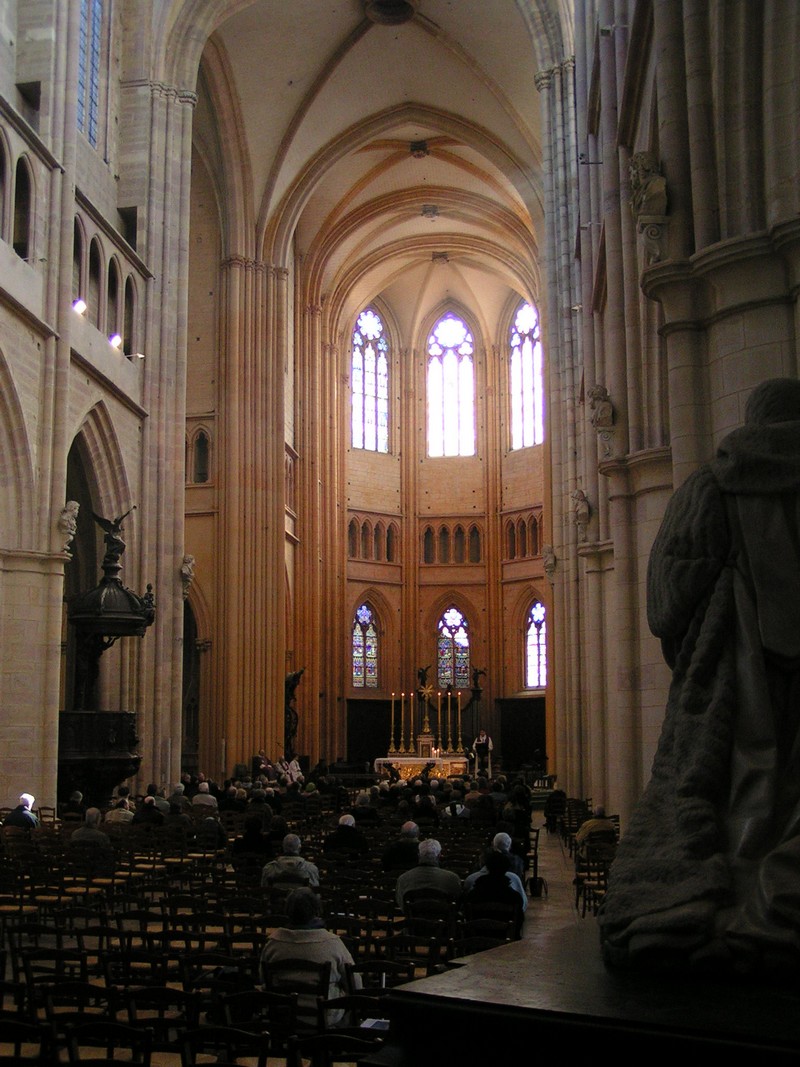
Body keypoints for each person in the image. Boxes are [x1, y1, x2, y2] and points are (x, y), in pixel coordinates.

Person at [600, 378, 800, 974]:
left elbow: (667, 602)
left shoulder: (713, 483)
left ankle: (719, 904)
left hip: (741, 674)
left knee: (738, 791)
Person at [260, 888, 361, 1024]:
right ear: (316, 911)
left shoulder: (273, 943)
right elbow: (355, 984)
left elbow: (263, 978)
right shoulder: (332, 943)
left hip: (284, 1016)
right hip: (324, 1016)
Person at [395, 839, 461, 908]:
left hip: (413, 914)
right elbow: (457, 904)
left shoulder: (403, 879)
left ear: (419, 855)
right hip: (443, 914)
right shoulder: (452, 879)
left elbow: (401, 904)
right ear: (439, 855)